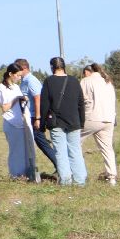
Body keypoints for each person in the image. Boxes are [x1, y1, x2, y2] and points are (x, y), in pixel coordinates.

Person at [39, 57, 87, 186]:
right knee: (75, 151)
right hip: (74, 121)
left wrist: (42, 124)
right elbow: (81, 103)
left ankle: (66, 181)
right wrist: (82, 122)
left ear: (52, 67)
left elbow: (44, 105)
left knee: (60, 152)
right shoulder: (74, 81)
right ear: (64, 66)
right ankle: (80, 181)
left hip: (56, 123)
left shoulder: (48, 81)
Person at [15, 58, 56, 180]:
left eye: (18, 69)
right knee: (40, 142)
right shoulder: (24, 81)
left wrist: (38, 118)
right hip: (29, 116)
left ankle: (60, 165)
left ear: (24, 68)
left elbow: (38, 98)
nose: (16, 72)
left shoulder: (31, 80)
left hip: (34, 116)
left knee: (42, 142)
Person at [0, 63, 35, 180]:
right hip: (11, 123)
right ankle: (16, 175)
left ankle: (27, 174)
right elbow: (5, 107)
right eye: (17, 75)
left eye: (20, 76)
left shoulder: (16, 87)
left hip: (22, 121)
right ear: (10, 74)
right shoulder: (1, 87)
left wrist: (23, 99)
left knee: (26, 150)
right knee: (16, 151)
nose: (19, 78)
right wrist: (16, 99)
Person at [80, 63, 119, 186]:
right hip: (109, 119)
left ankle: (79, 173)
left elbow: (80, 99)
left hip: (92, 117)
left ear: (87, 72)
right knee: (107, 148)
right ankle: (112, 177)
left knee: (74, 142)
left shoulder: (86, 81)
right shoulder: (108, 82)